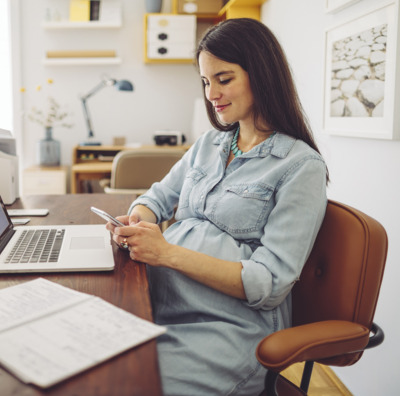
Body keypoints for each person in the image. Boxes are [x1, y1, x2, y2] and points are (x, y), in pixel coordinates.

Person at [106, 18, 329, 396]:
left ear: (261, 75)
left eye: (224, 80)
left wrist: (168, 253)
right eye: (206, 82)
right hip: (158, 304)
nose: (212, 94)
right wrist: (138, 219)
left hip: (226, 328)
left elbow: (270, 283)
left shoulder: (300, 167)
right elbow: (157, 197)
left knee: (130, 385)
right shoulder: (210, 144)